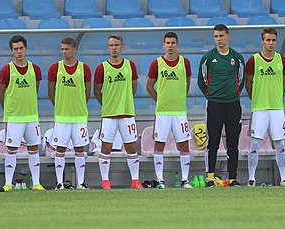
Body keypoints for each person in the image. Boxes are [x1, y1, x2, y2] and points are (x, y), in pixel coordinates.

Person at [197, 24, 245, 187]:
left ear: (228, 36)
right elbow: (201, 81)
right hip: (214, 105)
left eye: (221, 36)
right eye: (216, 36)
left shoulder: (237, 58)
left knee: (233, 142)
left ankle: (232, 178)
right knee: (213, 142)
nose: (219, 39)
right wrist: (212, 95)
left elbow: (241, 80)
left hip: (233, 104)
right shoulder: (208, 58)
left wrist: (233, 93)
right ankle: (210, 177)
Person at [244, 28, 285, 187]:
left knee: (280, 144)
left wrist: (276, 96)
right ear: (262, 41)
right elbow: (248, 83)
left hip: (277, 108)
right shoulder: (253, 61)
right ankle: (251, 178)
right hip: (260, 108)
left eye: (273, 40)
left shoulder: (282, 60)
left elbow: (284, 81)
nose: (270, 43)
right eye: (268, 40)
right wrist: (256, 99)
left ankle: (284, 178)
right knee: (255, 143)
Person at [0, 35, 44, 191]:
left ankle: (36, 183)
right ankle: (8, 183)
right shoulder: (6, 70)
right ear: (11, 51)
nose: (19, 52)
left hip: (31, 116)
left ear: (26, 49)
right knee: (11, 149)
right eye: (15, 49)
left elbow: (35, 88)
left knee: (33, 149)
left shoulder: (34, 69)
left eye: (21, 48)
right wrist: (9, 110)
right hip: (14, 117)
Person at [146, 32, 193, 189]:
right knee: (159, 145)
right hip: (162, 113)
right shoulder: (156, 63)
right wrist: (159, 101)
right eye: (168, 43)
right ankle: (160, 179)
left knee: (184, 145)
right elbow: (149, 86)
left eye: (173, 43)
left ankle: (185, 180)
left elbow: (187, 83)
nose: (170, 46)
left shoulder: (184, 62)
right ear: (164, 45)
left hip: (180, 112)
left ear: (177, 44)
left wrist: (178, 98)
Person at [94, 34, 141, 189]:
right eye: (111, 45)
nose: (114, 48)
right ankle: (105, 181)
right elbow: (96, 90)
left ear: (122, 46)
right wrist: (107, 104)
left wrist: (125, 101)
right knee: (106, 148)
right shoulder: (102, 67)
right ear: (108, 47)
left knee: (131, 147)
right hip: (109, 115)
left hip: (127, 113)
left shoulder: (130, 66)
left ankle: (135, 180)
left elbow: (133, 87)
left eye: (116, 45)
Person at [48, 38, 91, 190]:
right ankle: (59, 182)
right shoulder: (55, 68)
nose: (64, 52)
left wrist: (78, 105)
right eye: (62, 49)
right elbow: (51, 91)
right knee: (60, 149)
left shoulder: (84, 68)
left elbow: (87, 91)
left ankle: (80, 182)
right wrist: (60, 105)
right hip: (62, 116)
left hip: (79, 116)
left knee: (80, 149)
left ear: (74, 49)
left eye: (67, 49)